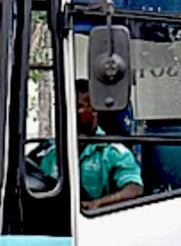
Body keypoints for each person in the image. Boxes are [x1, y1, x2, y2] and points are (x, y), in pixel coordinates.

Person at [40, 80, 143, 212]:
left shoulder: (114, 152)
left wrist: (98, 203)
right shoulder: (51, 150)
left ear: (94, 110)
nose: (70, 113)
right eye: (66, 107)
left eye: (77, 107)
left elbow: (134, 188)